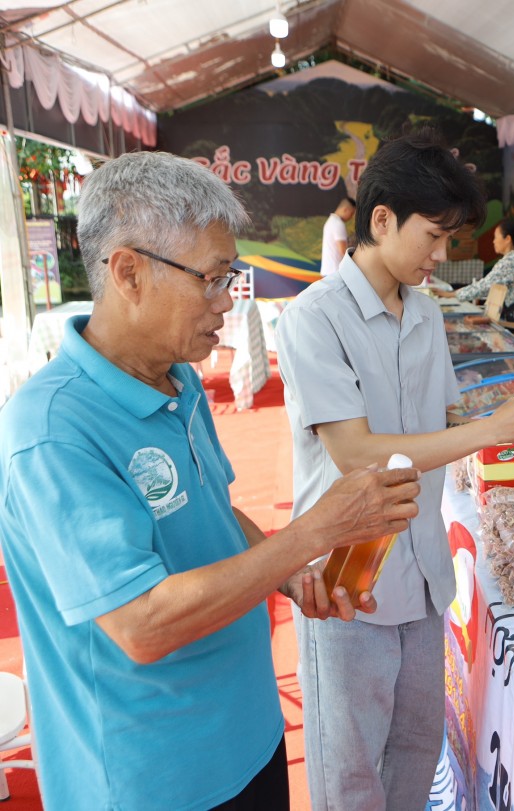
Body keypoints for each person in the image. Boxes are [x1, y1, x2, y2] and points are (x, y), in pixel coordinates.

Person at [0, 151, 421, 811]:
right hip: (152, 777)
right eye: (213, 279)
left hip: (248, 736)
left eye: (232, 277)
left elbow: (215, 511)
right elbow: (142, 623)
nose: (228, 302)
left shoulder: (180, 379)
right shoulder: (52, 428)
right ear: (128, 272)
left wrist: (289, 572)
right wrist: (316, 529)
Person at [275, 131, 514, 811]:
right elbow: (358, 454)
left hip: (425, 575)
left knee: (415, 751)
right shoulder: (315, 318)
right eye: (434, 236)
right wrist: (492, 430)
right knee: (350, 775)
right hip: (346, 583)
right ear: (382, 220)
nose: (443, 255)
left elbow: (443, 420)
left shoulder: (428, 311)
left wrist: (506, 413)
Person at [437, 217, 514, 329]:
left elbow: (483, 287)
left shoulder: (510, 262)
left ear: (507, 239)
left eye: (496, 237)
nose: (493, 241)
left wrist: (451, 294)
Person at [321, 196, 355, 276]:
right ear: (345, 209)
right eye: (351, 213)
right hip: (335, 272)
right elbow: (342, 251)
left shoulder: (330, 221)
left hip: (328, 271)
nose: (351, 217)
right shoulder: (338, 224)